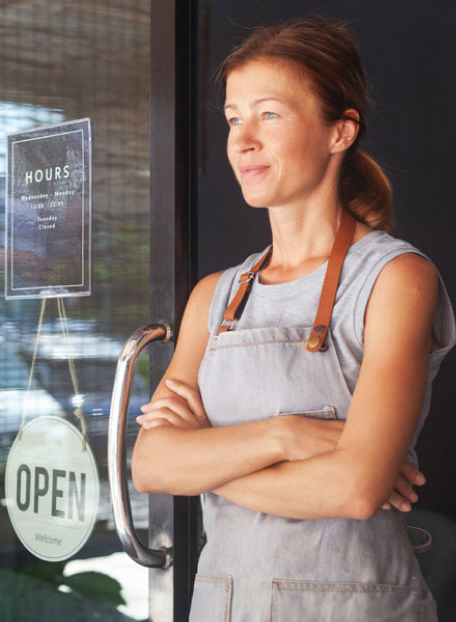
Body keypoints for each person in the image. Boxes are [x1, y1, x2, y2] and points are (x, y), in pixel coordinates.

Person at [132, 16, 456, 622]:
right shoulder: (214, 297)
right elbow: (149, 465)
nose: (242, 139)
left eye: (269, 115)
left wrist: (204, 462)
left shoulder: (395, 279)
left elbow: (355, 490)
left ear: (340, 131)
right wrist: (284, 436)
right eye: (233, 118)